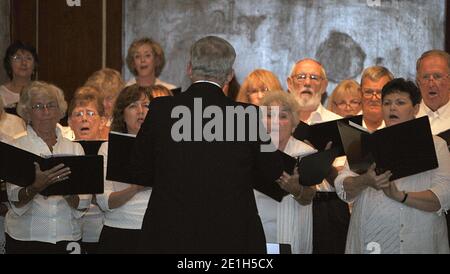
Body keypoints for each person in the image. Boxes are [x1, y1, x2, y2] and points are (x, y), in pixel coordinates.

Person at [131, 36, 283, 253]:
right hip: (231, 234)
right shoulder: (246, 115)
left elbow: (139, 170)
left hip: (170, 233)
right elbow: (273, 169)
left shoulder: (161, 109)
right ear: (229, 75)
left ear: (190, 69)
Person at [335, 78, 450, 253]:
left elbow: (443, 195)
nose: (392, 108)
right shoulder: (362, 143)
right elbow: (342, 187)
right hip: (369, 243)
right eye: (387, 103)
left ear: (416, 108)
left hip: (417, 242)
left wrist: (400, 196)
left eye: (400, 102)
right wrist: (365, 180)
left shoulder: (436, 145)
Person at [4, 81, 91, 254]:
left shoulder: (74, 149)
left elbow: (84, 202)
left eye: (51, 105)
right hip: (26, 238)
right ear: (27, 113)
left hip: (67, 237)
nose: (46, 112)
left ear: (60, 111)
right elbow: (14, 199)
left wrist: (66, 190)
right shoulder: (17, 147)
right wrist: (35, 187)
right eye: (38, 106)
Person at [287, 58, 349, 254]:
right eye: (301, 77)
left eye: (314, 77)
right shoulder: (277, 124)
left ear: (324, 85)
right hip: (287, 205)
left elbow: (346, 180)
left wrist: (323, 160)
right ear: (289, 83)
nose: (307, 83)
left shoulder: (339, 124)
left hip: (328, 208)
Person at [255, 90, 318, 253]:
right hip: (255, 233)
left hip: (290, 234)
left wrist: (296, 190)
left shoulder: (305, 152)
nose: (275, 122)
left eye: (282, 116)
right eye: (269, 115)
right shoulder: (250, 151)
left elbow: (310, 196)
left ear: (294, 124)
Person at [96, 84, 151, 254]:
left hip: (155, 230)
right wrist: (135, 188)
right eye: (133, 106)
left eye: (146, 105)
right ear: (122, 114)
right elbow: (104, 202)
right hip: (119, 232)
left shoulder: (164, 148)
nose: (141, 111)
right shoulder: (108, 148)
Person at [415, 50, 450, 246]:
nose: (431, 83)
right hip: (415, 210)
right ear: (418, 81)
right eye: (425, 77)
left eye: (437, 76)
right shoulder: (405, 120)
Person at [67, 86, 106, 254]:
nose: (84, 119)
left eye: (90, 113)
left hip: (101, 227)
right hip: (70, 229)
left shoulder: (111, 150)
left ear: (103, 121)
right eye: (78, 114)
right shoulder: (63, 151)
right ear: (69, 122)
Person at [85, 68, 125, 140]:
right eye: (99, 99)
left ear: (120, 98)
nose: (104, 104)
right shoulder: (81, 122)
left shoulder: (126, 126)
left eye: (109, 98)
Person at [1, 41, 38, 111]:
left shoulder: (44, 92)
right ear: (9, 63)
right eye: (18, 58)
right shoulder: (1, 94)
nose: (24, 63)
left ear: (34, 65)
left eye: (28, 58)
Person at [360, 66, 394, 132]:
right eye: (368, 92)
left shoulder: (402, 131)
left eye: (380, 92)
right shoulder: (344, 128)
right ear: (360, 93)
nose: (374, 98)